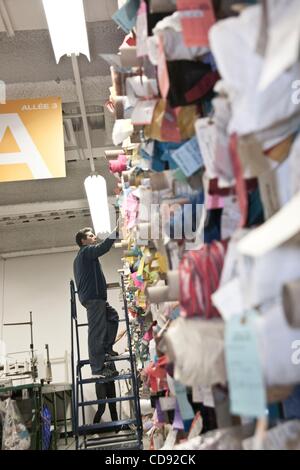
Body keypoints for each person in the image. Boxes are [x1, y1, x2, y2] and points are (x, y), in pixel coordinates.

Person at [73, 227, 119, 379]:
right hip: (93, 299)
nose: (94, 237)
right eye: (90, 236)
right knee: (96, 332)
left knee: (112, 316)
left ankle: (106, 347)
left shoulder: (84, 257)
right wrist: (116, 232)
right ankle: (97, 368)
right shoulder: (86, 252)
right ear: (83, 241)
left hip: (96, 298)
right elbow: (104, 247)